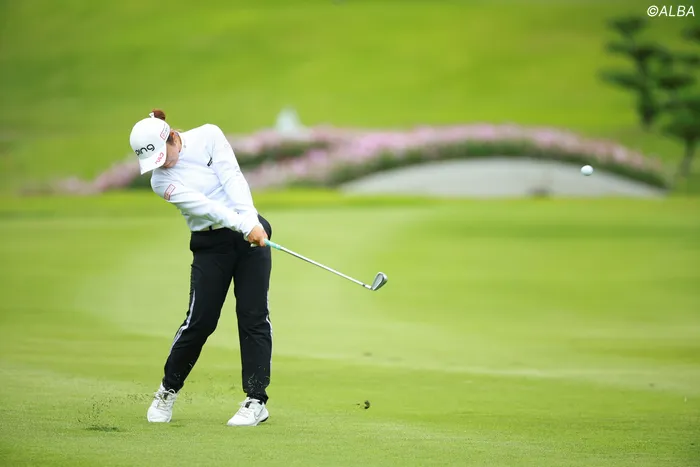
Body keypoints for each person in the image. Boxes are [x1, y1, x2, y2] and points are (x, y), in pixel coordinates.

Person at [128, 109, 273, 427]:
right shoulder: (160, 182)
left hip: (249, 232)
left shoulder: (209, 135)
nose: (162, 165)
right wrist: (244, 224)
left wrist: (251, 221)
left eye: (163, 156)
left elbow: (232, 177)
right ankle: (167, 390)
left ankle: (256, 400)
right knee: (200, 321)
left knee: (253, 317)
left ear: (171, 137)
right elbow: (205, 207)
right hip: (211, 245)